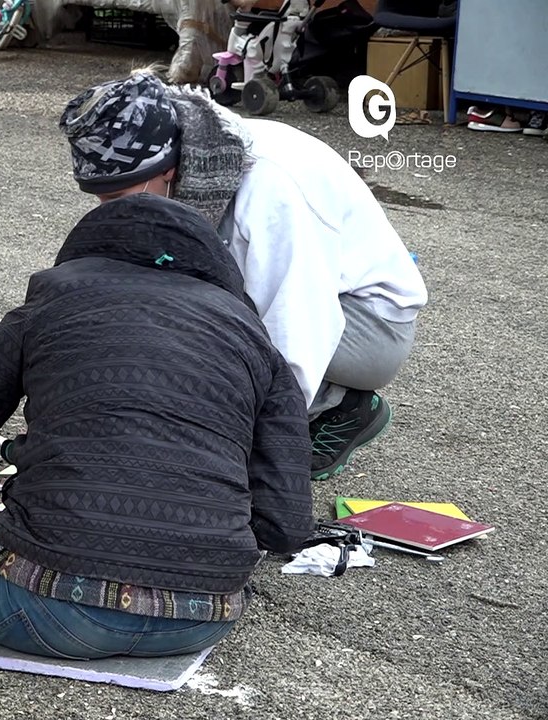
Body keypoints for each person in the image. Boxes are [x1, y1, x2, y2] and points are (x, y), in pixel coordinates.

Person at [0, 193, 314, 661]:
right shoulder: (255, 342)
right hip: (201, 621)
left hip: (46, 609)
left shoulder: (54, 301)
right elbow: (286, 523)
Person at [57, 70, 428, 480]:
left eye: (116, 197)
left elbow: (297, 331)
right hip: (298, 295)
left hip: (368, 323)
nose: (108, 209)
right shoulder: (193, 150)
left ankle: (341, 405)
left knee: (217, 329)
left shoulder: (271, 189)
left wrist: (235, 445)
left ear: (166, 170)